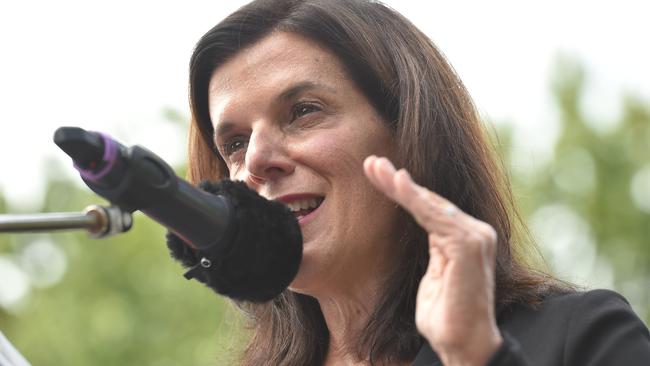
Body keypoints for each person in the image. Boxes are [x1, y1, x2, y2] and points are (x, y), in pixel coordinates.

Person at [181, 0, 650, 364]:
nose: (257, 161)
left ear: (410, 131)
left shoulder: (580, 337)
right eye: (237, 144)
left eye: (303, 111)